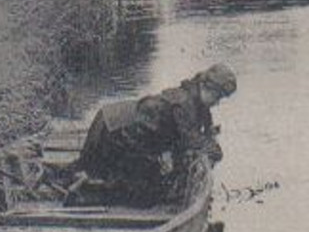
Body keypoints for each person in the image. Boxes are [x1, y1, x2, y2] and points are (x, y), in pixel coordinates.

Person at [68, 64, 238, 206]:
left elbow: (201, 128)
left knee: (148, 180)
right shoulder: (185, 104)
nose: (217, 102)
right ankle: (86, 193)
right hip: (113, 131)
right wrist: (214, 150)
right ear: (205, 86)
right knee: (145, 196)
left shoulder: (194, 97)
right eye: (218, 96)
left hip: (117, 124)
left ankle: (78, 179)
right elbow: (190, 140)